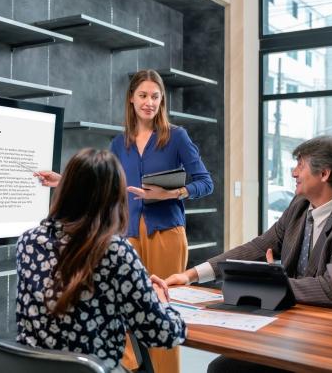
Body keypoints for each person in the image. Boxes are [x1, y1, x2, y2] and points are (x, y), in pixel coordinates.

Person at [36, 69, 213, 373]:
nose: (149, 102)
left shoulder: (176, 137)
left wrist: (172, 194)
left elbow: (205, 183)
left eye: (155, 96)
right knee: (123, 312)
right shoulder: (120, 143)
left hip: (167, 233)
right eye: (143, 95)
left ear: (162, 100)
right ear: (131, 98)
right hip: (126, 234)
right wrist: (64, 180)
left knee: (160, 311)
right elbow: (101, 183)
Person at [166, 135, 332, 373]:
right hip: (290, 326)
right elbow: (258, 247)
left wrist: (272, 281)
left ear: (324, 174)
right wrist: (192, 275)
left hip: (327, 340)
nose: (293, 172)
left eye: (300, 164)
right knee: (221, 368)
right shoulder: (299, 205)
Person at [16, 148, 187, 373]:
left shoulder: (27, 241)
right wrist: (162, 301)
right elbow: (164, 333)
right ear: (114, 198)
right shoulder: (114, 251)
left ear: (64, 190)